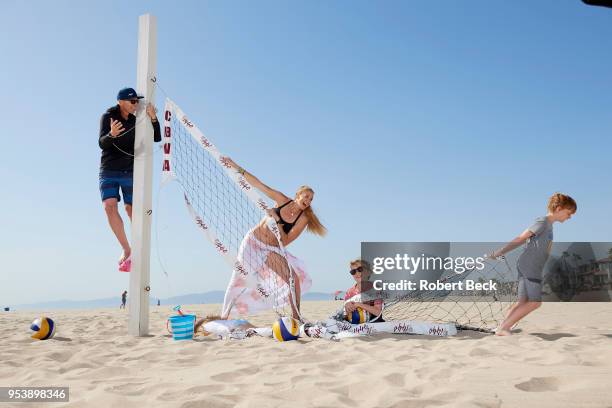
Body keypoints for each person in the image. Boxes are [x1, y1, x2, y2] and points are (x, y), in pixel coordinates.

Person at [220, 157, 326, 320]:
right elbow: (259, 185)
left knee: (293, 279)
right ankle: (224, 317)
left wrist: (277, 221)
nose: (307, 201)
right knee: (238, 280)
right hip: (252, 243)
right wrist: (235, 167)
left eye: (310, 199)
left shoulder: (303, 219)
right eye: (305, 197)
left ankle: (296, 318)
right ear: (297, 195)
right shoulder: (282, 200)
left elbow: (284, 241)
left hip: (270, 249)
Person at [490, 193, 577, 336]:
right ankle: (504, 328)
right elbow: (521, 238)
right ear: (559, 208)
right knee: (535, 302)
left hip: (530, 266)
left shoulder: (549, 225)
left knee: (522, 301)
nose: (569, 217)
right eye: (569, 213)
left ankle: (503, 326)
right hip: (530, 266)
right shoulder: (542, 222)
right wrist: (501, 251)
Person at [99, 87, 162, 271]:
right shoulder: (108, 117)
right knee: (109, 206)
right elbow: (101, 143)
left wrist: (153, 117)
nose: (136, 104)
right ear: (121, 102)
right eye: (132, 101)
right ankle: (126, 249)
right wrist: (112, 134)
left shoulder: (136, 121)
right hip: (109, 170)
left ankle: (139, 246)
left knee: (131, 209)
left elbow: (156, 137)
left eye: (137, 101)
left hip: (129, 171)